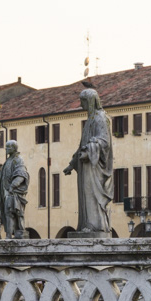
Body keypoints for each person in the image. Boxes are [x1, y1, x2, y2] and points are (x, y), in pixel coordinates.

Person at [64, 88, 113, 233]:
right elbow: (81, 146)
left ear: (90, 101)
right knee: (86, 194)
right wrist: (72, 164)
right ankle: (88, 223)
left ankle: (95, 225)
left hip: (94, 165)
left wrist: (90, 150)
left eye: (83, 101)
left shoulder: (100, 118)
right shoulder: (90, 119)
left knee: (92, 194)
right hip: (87, 165)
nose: (81, 104)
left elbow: (104, 141)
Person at [0, 140, 29, 239]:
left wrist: (13, 186)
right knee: (9, 212)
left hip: (13, 191)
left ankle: (13, 233)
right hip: (7, 191)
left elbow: (21, 174)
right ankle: (10, 234)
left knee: (13, 212)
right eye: (6, 147)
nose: (6, 149)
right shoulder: (8, 161)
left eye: (8, 147)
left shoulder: (18, 159)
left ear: (14, 148)